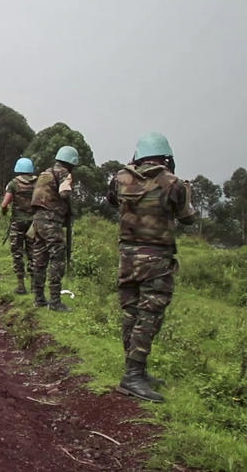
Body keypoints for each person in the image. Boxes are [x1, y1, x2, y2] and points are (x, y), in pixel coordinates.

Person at [107, 133, 195, 402]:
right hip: (156, 258)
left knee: (131, 312)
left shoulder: (119, 179)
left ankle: (136, 371)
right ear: (166, 157)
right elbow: (187, 218)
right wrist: (186, 192)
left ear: (138, 156)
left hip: (127, 257)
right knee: (150, 316)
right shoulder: (173, 183)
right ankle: (133, 376)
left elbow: (113, 201)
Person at [29, 146, 79, 311]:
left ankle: (39, 299)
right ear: (71, 162)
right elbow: (64, 193)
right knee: (57, 259)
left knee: (39, 261)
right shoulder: (64, 173)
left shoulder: (45, 173)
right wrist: (69, 204)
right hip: (51, 221)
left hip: (37, 221)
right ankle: (55, 302)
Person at [1, 158, 38, 294]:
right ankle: (34, 285)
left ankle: (21, 285)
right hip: (33, 224)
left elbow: (5, 204)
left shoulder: (13, 184)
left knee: (17, 254)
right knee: (33, 253)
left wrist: (4, 212)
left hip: (18, 223)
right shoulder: (38, 183)